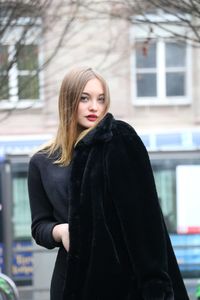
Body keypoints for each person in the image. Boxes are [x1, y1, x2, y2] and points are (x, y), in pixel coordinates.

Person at [28, 66, 189, 300]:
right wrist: (61, 231)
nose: (94, 106)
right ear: (68, 100)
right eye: (85, 98)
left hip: (121, 281)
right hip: (69, 280)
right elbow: (39, 225)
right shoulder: (42, 161)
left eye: (101, 99)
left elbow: (146, 221)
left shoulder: (118, 144)